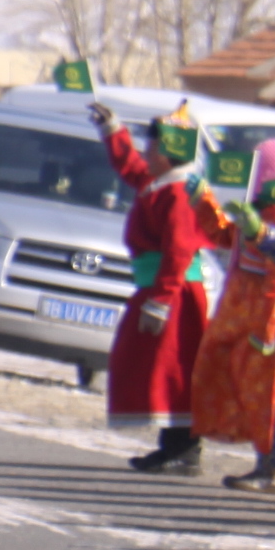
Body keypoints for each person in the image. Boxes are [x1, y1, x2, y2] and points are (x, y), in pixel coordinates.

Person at [91, 100, 222, 474]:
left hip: (175, 293)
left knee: (175, 368)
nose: (147, 150)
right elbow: (131, 168)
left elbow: (180, 251)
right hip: (158, 289)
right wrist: (113, 131)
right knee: (154, 366)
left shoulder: (180, 194)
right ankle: (176, 445)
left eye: (153, 145)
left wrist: (162, 301)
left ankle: (184, 447)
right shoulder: (158, 183)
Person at [202, 139, 275, 491]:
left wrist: (268, 328)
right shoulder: (261, 213)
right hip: (249, 318)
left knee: (272, 397)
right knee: (254, 394)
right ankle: (267, 464)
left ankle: (272, 468)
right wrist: (205, 203)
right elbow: (229, 239)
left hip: (273, 322)